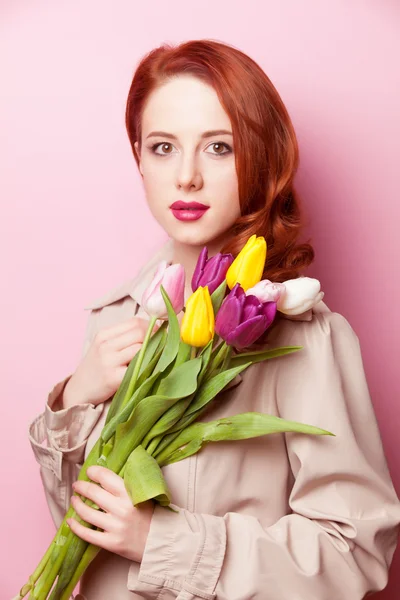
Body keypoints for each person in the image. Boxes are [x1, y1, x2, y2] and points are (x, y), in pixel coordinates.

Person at [28, 39, 400, 600]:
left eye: (219, 148)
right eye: (162, 147)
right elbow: (78, 533)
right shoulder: (113, 322)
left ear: (261, 158)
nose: (186, 177)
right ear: (138, 157)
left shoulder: (305, 336)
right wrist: (75, 399)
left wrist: (163, 540)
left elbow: (356, 549)